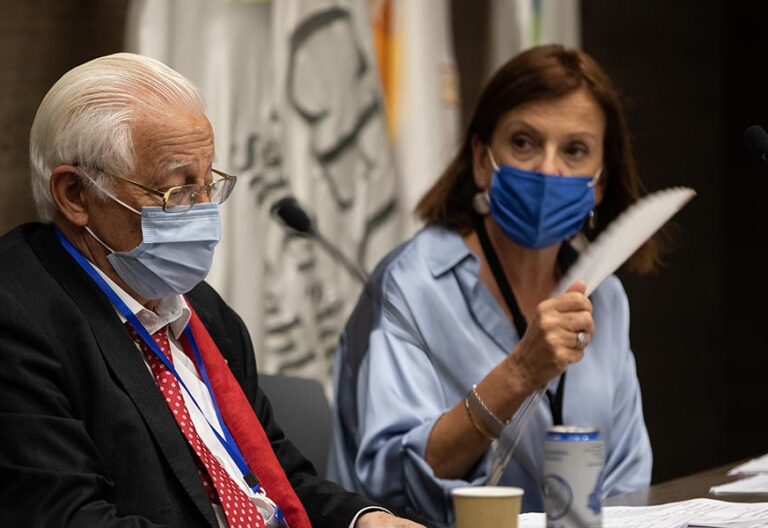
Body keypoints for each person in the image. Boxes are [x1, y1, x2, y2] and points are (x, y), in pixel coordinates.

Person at [0, 53, 424, 528]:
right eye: (176, 191)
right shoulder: (18, 318)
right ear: (76, 195)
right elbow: (65, 517)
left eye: (208, 184)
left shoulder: (198, 309)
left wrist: (364, 520)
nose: (203, 211)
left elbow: (274, 477)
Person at [328, 44, 657, 526]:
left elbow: (628, 485)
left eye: (575, 150)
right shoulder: (412, 284)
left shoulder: (603, 295)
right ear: (483, 161)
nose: (549, 169)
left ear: (600, 182)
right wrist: (520, 372)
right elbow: (389, 482)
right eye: (524, 142)